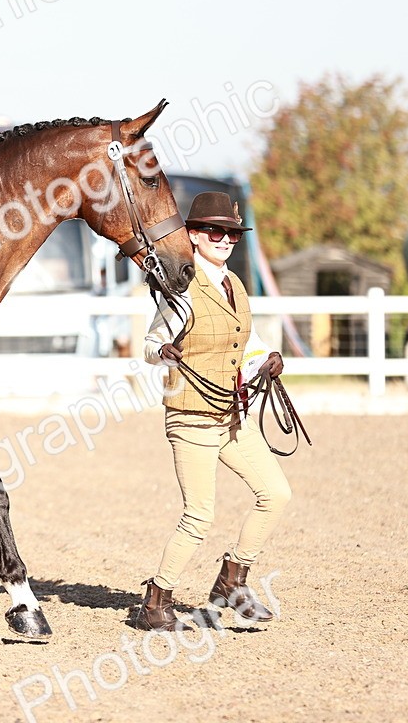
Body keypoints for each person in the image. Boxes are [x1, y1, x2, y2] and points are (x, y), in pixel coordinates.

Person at [133, 191, 291, 632]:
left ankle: (232, 580)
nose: (225, 240)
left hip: (232, 413)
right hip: (191, 417)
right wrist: (165, 351)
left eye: (232, 234)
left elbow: (246, 343)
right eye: (214, 231)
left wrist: (266, 360)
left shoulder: (235, 284)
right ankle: (156, 600)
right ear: (194, 236)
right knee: (199, 516)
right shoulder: (180, 286)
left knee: (275, 494)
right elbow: (148, 345)